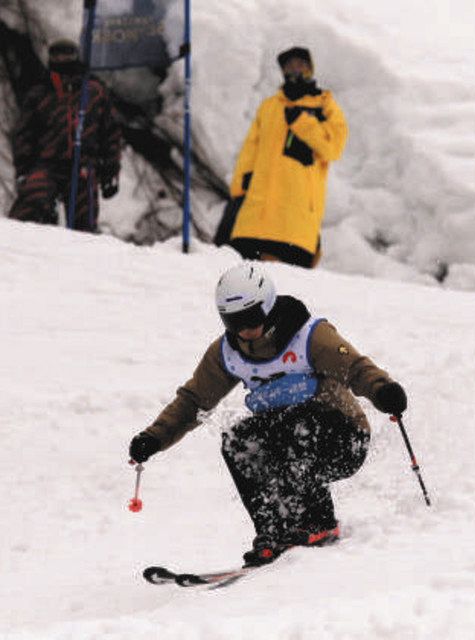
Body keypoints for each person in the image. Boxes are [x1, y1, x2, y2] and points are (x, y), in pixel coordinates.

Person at [129, 262, 408, 567]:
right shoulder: (227, 353)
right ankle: (273, 531)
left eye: (251, 318)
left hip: (342, 439)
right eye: (233, 321)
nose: (244, 330)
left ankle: (319, 522)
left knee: (294, 424)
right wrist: (154, 438)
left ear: (269, 305)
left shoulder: (309, 337)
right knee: (237, 440)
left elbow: (356, 369)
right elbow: (194, 400)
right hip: (287, 439)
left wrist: (383, 390)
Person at [216, 46, 348, 268]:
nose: (294, 69)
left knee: (285, 284)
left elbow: (332, 148)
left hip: (296, 212)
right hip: (258, 211)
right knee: (243, 273)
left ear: (310, 69)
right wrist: (240, 186)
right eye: (288, 65)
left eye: (300, 64)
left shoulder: (324, 105)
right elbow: (251, 148)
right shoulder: (270, 106)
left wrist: (302, 123)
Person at [8, 39, 122, 232]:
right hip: (46, 163)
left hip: (83, 164)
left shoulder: (93, 92)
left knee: (84, 224)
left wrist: (110, 171)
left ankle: (78, 257)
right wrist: (23, 170)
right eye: (57, 55)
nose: (62, 59)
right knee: (28, 209)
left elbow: (110, 132)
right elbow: (24, 134)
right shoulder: (40, 92)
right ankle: (28, 249)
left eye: (67, 54)